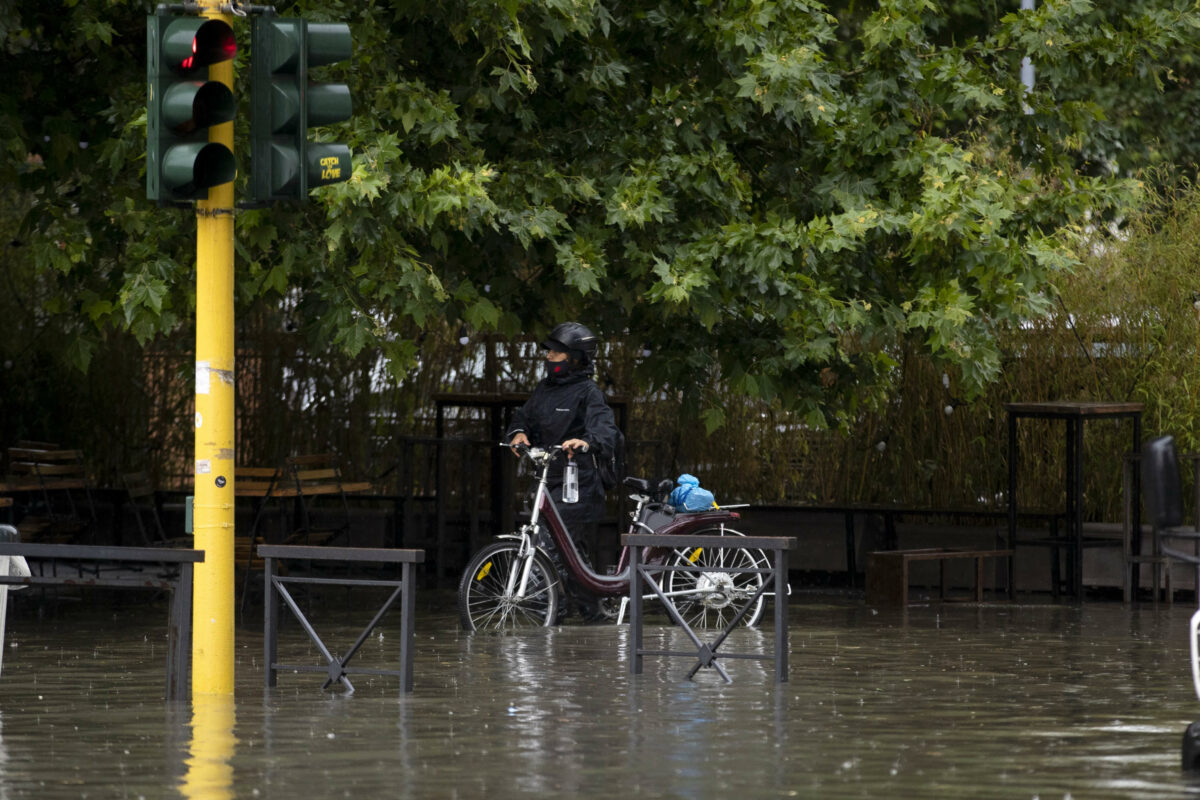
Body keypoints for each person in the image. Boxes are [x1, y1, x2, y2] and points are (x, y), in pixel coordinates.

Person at [506, 322, 619, 619]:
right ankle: (590, 610)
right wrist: (517, 433)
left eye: (557, 353)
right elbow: (524, 417)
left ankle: (549, 607)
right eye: (549, 352)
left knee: (555, 543)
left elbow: (607, 431)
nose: (549, 357)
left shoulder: (589, 392)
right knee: (570, 551)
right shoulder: (544, 390)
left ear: (575, 357)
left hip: (577, 483)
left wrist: (586, 441)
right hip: (546, 478)